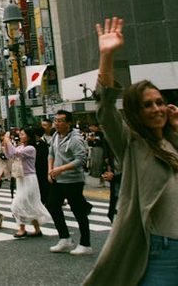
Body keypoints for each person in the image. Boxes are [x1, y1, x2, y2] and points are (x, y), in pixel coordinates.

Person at [84, 18, 178, 285]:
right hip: (162, 249)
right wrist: (107, 55)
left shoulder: (172, 143)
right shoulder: (132, 144)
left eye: (160, 102)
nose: (157, 108)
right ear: (136, 112)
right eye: (147, 105)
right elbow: (105, 110)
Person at [46, 109, 92, 255]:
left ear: (69, 123)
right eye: (55, 120)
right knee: (52, 205)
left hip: (73, 180)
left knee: (78, 211)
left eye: (60, 121)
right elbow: (51, 154)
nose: (57, 124)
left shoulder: (75, 139)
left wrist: (61, 169)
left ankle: (86, 244)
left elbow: (81, 160)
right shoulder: (55, 136)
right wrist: (50, 170)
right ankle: (64, 238)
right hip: (58, 179)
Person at [3, 128, 49, 238]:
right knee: (29, 204)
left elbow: (15, 153)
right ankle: (36, 229)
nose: (21, 136)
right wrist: (5, 144)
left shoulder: (31, 148)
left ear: (29, 136)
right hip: (21, 178)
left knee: (19, 203)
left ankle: (22, 229)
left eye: (23, 134)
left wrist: (7, 141)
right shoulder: (20, 147)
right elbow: (10, 155)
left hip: (29, 179)